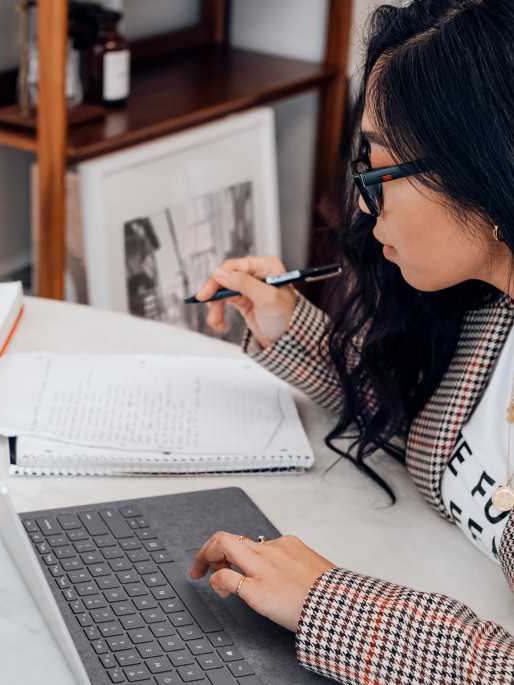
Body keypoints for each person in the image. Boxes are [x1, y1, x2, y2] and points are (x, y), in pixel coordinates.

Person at [188, 1, 514, 683]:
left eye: (378, 172)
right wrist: (286, 324)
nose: (365, 205)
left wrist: (324, 602)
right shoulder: (492, 309)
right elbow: (423, 422)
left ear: (483, 167)